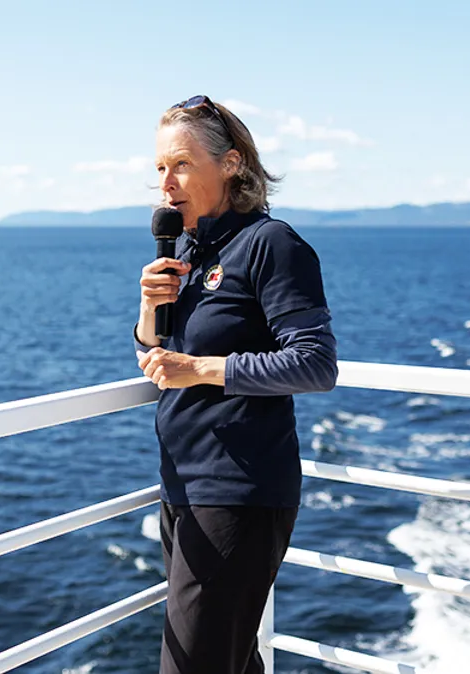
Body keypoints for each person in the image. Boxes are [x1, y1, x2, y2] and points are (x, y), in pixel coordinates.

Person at [134, 95, 339, 674]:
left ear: (230, 164)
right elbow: (157, 364)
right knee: (231, 661)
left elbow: (315, 364)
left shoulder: (272, 245)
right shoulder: (192, 254)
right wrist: (150, 313)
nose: (165, 183)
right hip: (183, 487)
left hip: (240, 492)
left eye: (180, 164)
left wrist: (202, 369)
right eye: (158, 169)